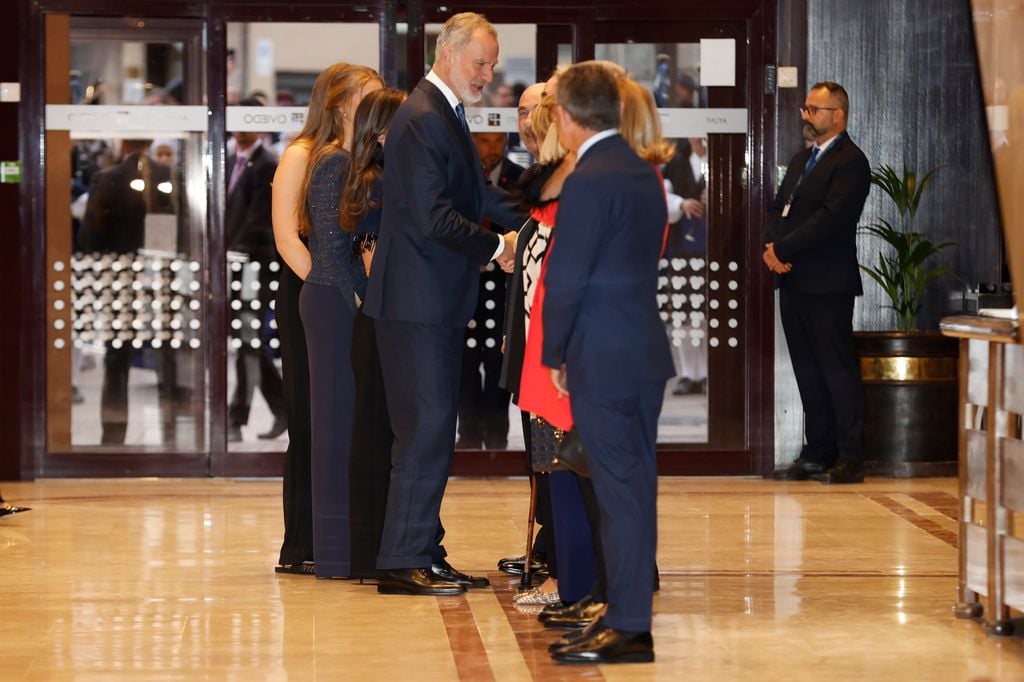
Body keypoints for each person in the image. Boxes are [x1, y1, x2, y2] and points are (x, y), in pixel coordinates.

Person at [363, 12, 520, 596]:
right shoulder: (426, 115)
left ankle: (423, 548)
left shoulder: (443, 112)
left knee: (431, 430)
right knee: (426, 431)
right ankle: (405, 559)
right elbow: (434, 218)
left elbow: (478, 193)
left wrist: (535, 221)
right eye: (480, 62)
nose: (487, 73)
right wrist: (497, 245)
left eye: (491, 63)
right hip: (416, 302)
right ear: (449, 54)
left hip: (431, 300)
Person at [541, 62, 673, 664]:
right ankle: (623, 617)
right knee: (632, 490)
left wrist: (554, 351)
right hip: (640, 349)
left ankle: (627, 626)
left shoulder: (591, 177)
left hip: (603, 353)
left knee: (619, 492)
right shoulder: (642, 171)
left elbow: (566, 275)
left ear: (566, 119)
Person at [272, 63, 383, 579]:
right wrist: (331, 284)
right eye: (370, 95)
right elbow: (287, 236)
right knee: (312, 413)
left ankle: (329, 539)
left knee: (335, 415)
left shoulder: (353, 158)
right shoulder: (304, 155)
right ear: (339, 102)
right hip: (313, 285)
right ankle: (309, 541)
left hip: (331, 286)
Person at [766, 81, 871, 485]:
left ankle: (850, 456)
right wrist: (772, 246)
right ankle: (817, 452)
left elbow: (831, 219)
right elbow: (779, 207)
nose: (805, 116)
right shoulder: (800, 160)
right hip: (793, 281)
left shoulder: (850, 161)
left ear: (837, 115)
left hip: (828, 283)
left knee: (836, 369)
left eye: (814, 109)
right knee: (807, 371)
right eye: (805, 109)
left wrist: (784, 249)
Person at [340, 86, 407, 578]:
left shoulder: (373, 177)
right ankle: (375, 552)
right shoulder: (376, 180)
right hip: (384, 318)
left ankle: (374, 551)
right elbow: (376, 258)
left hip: (378, 318)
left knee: (376, 433)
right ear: (383, 131)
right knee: (377, 436)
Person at [78, 138, 176, 444]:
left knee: (116, 358)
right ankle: (173, 434)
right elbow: (179, 227)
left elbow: (91, 234)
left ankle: (113, 435)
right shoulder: (169, 175)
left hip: (117, 278)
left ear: (122, 143)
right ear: (149, 142)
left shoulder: (105, 178)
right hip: (160, 276)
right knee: (166, 357)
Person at [495, 81, 555, 580]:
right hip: (530, 336)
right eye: (521, 110)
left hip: (553, 343)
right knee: (539, 449)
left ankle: (557, 548)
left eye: (538, 110)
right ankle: (548, 542)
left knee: (557, 452)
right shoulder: (535, 178)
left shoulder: (562, 180)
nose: (527, 120)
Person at [226, 98, 288, 443]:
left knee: (247, 342)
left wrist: (228, 252)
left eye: (247, 120)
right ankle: (282, 408)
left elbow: (258, 220)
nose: (239, 127)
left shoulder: (266, 164)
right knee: (246, 342)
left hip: (257, 268)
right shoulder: (229, 160)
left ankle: (236, 419)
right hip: (238, 268)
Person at [457, 131, 524, 451]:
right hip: (464, 280)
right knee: (465, 359)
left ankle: (497, 433)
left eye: (499, 141)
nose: (492, 149)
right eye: (484, 141)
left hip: (502, 282)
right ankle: (468, 432)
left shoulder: (520, 178)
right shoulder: (460, 179)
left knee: (498, 358)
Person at [662, 136, 709, 396]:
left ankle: (704, 373)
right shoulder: (675, 165)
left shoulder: (719, 160)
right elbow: (664, 200)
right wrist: (681, 203)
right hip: (682, 248)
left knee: (706, 315)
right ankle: (689, 374)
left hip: (713, 248)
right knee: (683, 311)